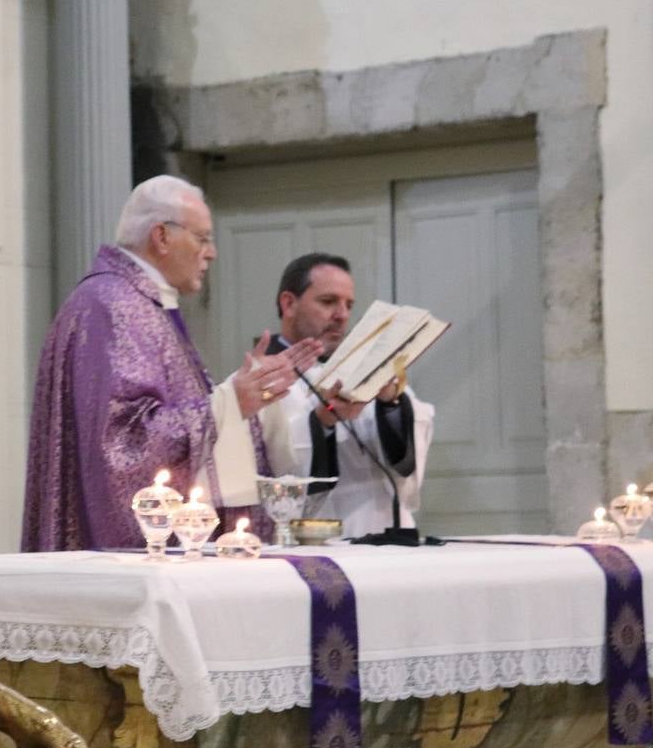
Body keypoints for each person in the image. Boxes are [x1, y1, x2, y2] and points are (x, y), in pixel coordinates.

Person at [22, 175, 321, 552]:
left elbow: (161, 419)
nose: (211, 252)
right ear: (162, 236)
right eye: (203, 238)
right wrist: (229, 403)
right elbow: (122, 446)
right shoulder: (113, 305)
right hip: (121, 560)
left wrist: (241, 399)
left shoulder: (138, 302)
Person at [265, 253, 435, 538]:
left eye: (348, 305)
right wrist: (322, 424)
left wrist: (390, 403)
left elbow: (408, 459)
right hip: (321, 537)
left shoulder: (365, 367)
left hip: (390, 529)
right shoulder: (259, 379)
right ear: (289, 303)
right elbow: (269, 467)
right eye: (328, 301)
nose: (342, 315)